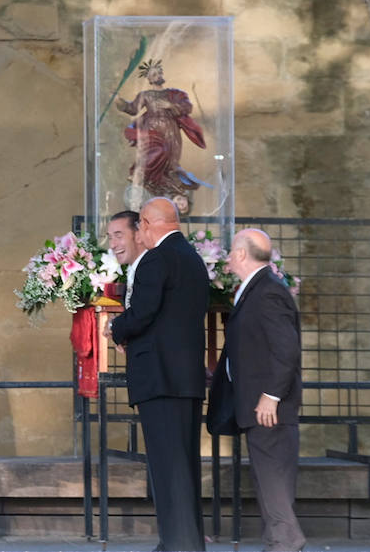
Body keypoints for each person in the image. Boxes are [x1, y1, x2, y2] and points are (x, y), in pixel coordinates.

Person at [108, 197, 209, 551]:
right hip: (185, 380)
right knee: (183, 465)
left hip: (161, 379)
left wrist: (116, 329)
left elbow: (144, 312)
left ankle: (180, 545)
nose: (141, 235)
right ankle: (182, 542)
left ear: (149, 225)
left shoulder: (157, 258)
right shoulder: (193, 259)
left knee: (169, 469)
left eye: (141, 228)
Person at [217, 228, 305, 552]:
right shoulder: (256, 288)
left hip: (270, 407)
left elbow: (286, 349)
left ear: (241, 254)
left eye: (230, 252)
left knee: (272, 482)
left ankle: (288, 541)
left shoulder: (267, 291)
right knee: (268, 481)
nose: (227, 258)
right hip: (258, 405)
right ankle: (277, 543)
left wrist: (271, 395)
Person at [116, 59, 206, 213]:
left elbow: (187, 107)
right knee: (159, 151)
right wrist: (118, 100)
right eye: (153, 74)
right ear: (149, 79)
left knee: (169, 161)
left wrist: (171, 106)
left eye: (159, 73)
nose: (157, 76)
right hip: (151, 130)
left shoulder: (173, 94)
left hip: (171, 130)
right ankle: (140, 172)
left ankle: (157, 184)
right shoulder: (145, 95)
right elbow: (132, 108)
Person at [105, 209, 146, 307]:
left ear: (138, 235)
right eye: (110, 238)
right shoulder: (133, 269)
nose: (112, 245)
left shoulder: (152, 269)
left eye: (118, 236)